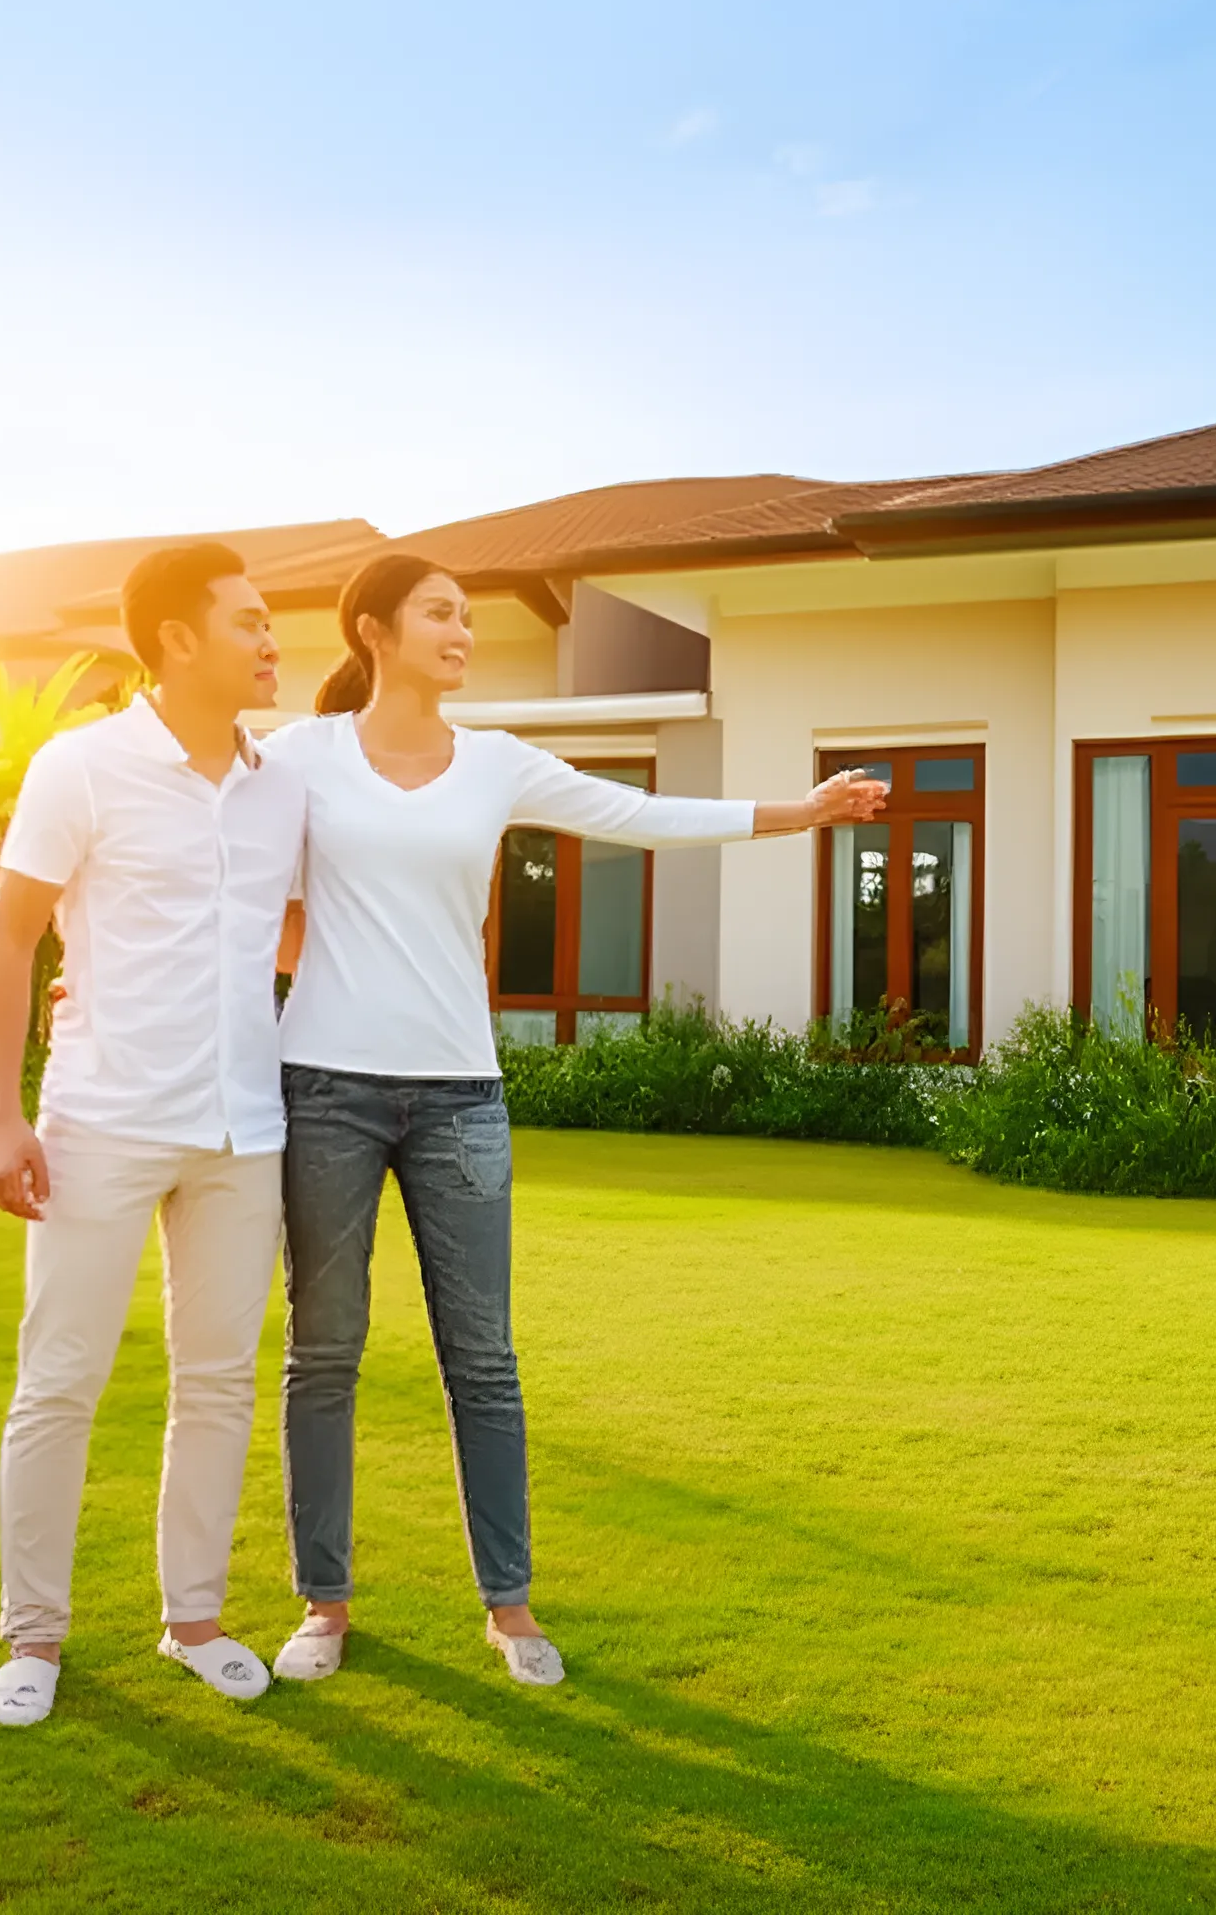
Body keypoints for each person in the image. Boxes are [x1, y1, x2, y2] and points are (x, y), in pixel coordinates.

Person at [264, 553, 885, 1689]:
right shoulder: (299, 757)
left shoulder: (496, 763)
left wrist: (800, 811)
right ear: (372, 630)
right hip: (326, 1089)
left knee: (483, 1360)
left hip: (459, 1094)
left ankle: (510, 1608)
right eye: (438, 613)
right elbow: (214, 877)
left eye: (467, 614)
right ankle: (324, 1603)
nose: (461, 629)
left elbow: (642, 814)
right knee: (325, 1351)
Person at [0, 543, 303, 1727]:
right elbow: (10, 936)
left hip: (241, 1130)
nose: (271, 641)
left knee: (217, 1382)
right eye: (249, 621)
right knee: (60, 1380)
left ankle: (194, 1618)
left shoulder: (283, 783)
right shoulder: (81, 766)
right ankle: (34, 1634)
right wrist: (6, 1114)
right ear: (176, 638)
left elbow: (292, 935)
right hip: (100, 1122)